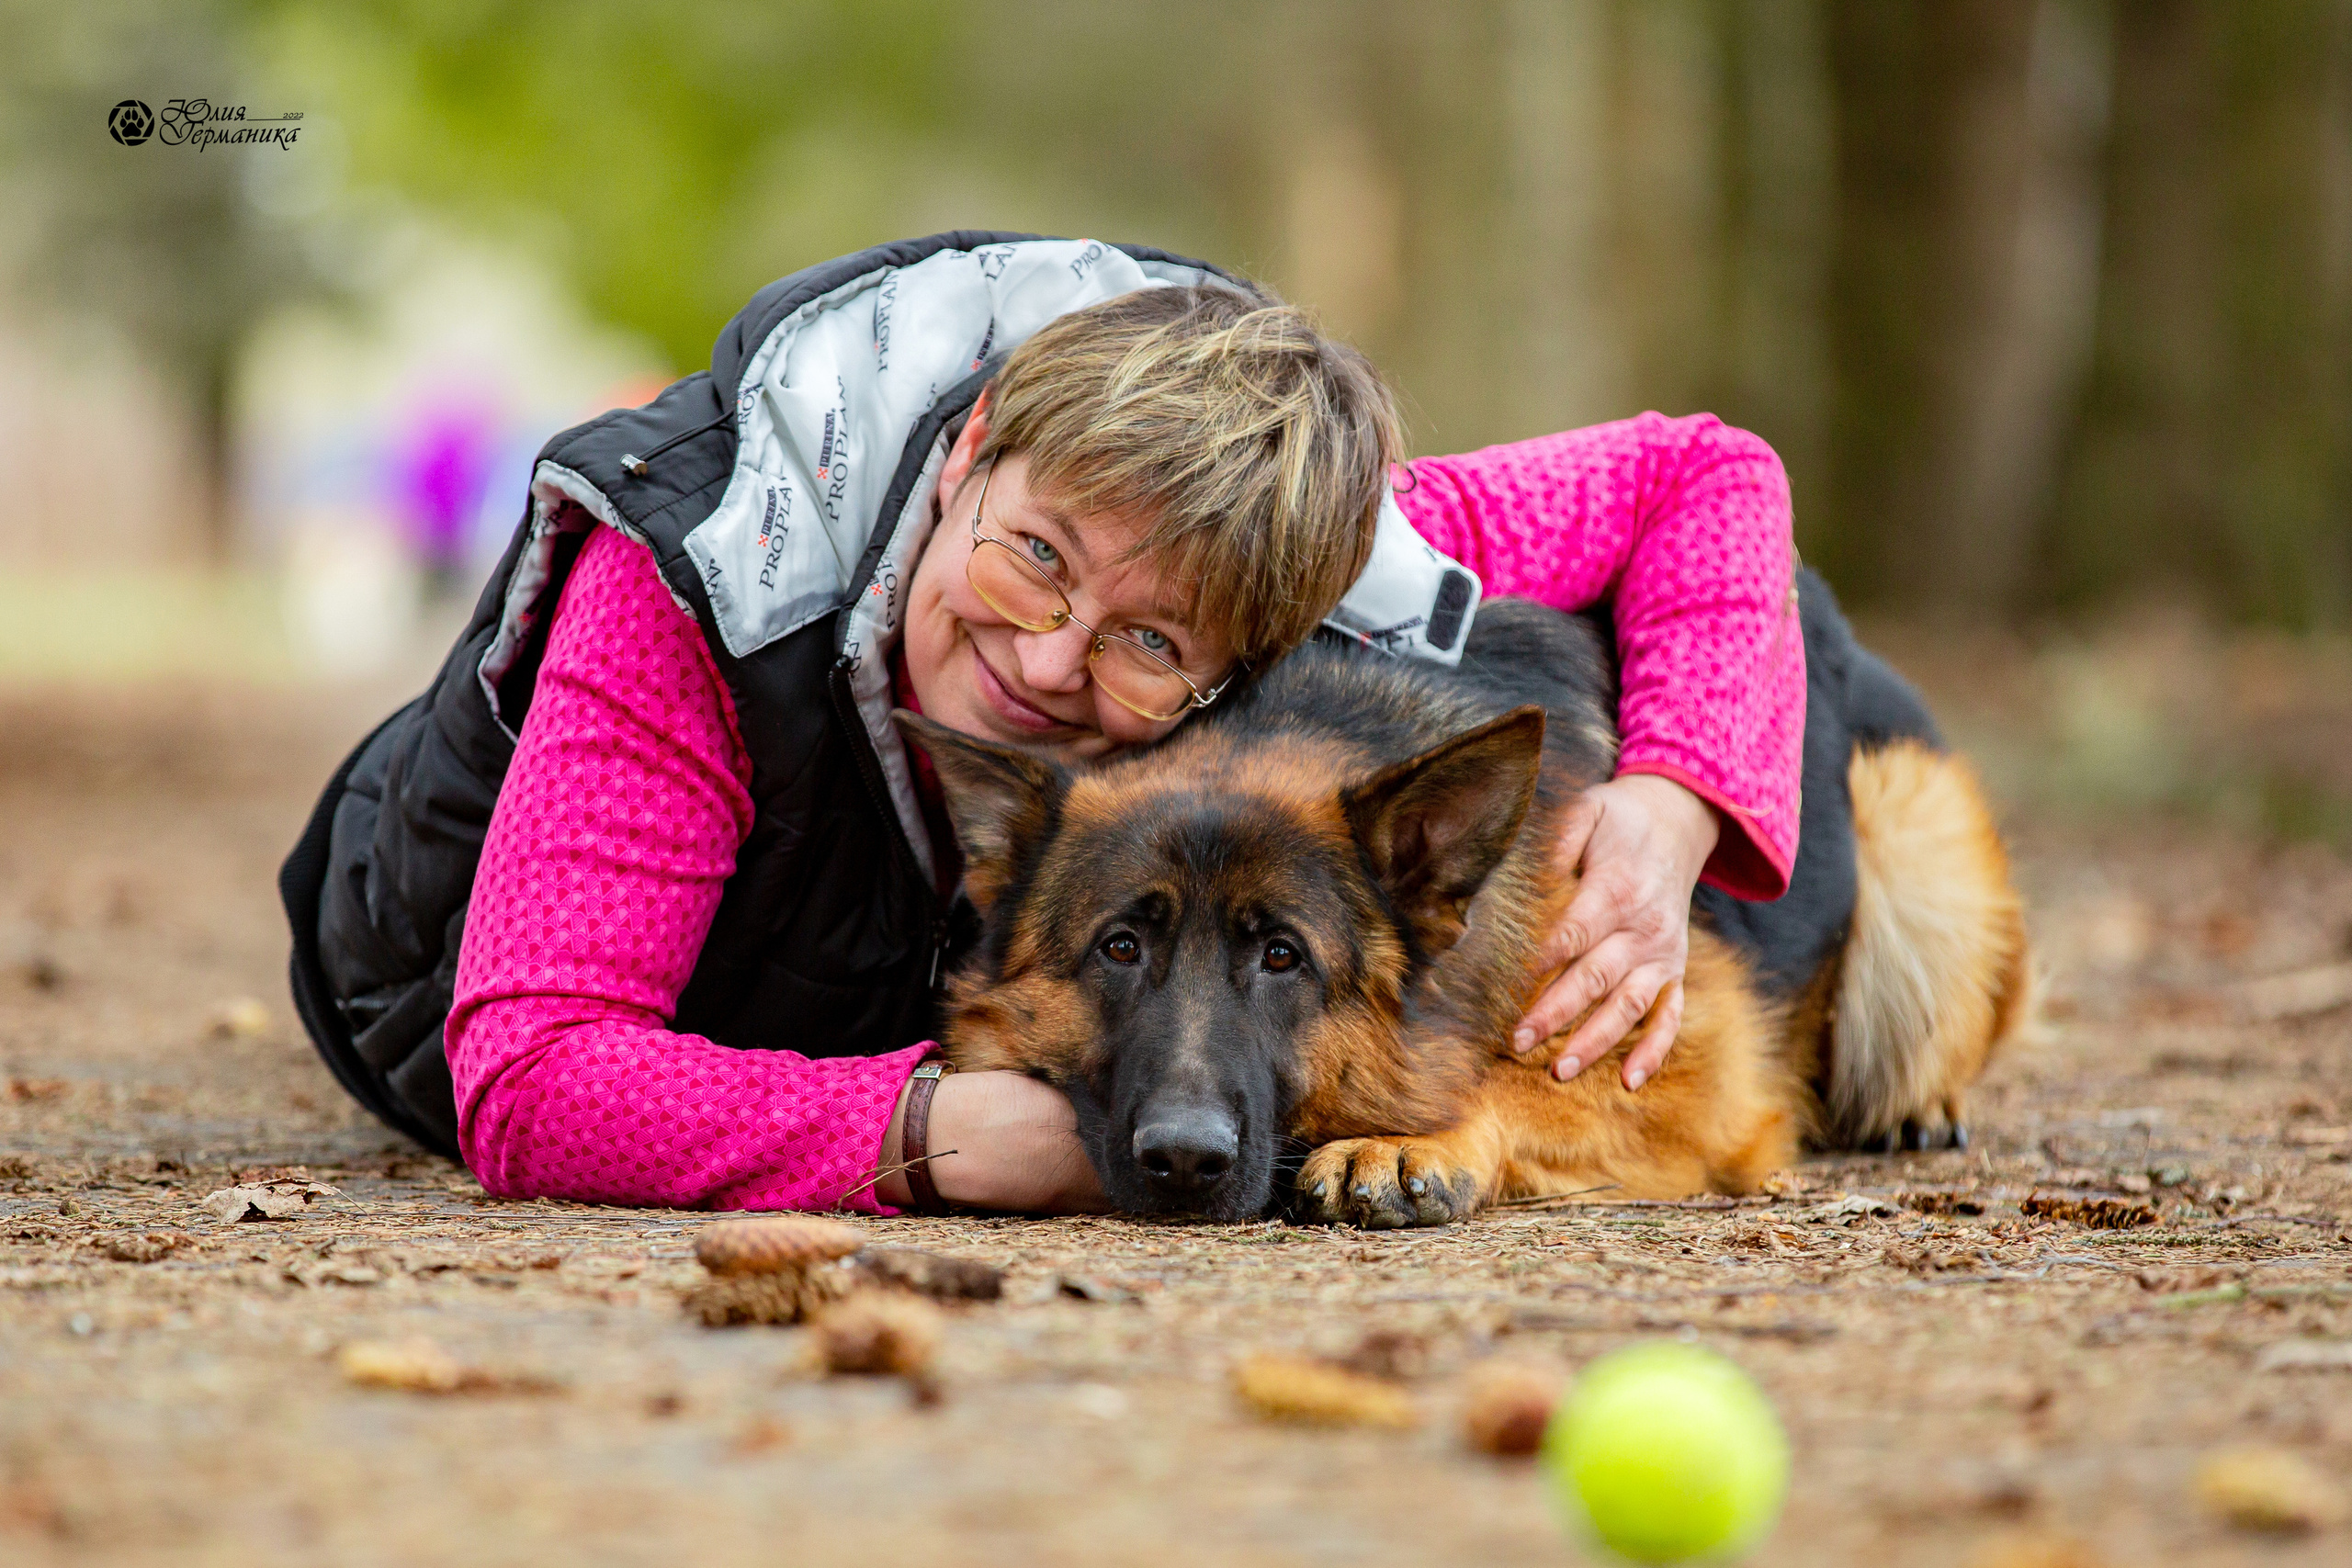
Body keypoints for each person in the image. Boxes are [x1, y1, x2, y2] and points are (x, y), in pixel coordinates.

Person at [281, 233, 1802, 1216]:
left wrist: (1675, 804)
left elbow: (1702, 477)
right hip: (445, 962)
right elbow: (535, 1075)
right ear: (972, 451)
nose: (1048, 657)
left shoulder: (1287, 536)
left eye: (1151, 641)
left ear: (1260, 640)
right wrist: (936, 1134)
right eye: (1036, 557)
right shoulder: (701, 580)